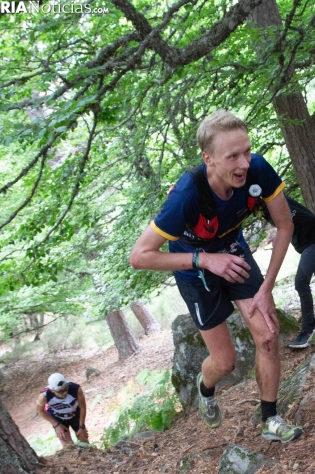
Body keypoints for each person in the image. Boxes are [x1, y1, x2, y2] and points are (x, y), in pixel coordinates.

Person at [129, 110, 303, 443]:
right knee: (224, 362)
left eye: (247, 151)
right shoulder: (186, 195)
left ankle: (270, 418)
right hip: (195, 270)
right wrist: (206, 260)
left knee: (267, 335)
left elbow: (285, 225)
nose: (243, 163)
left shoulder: (259, 171)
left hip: (232, 253)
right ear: (208, 159)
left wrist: (266, 288)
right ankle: (205, 388)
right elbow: (139, 257)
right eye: (233, 156)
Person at [257, 196, 315, 349]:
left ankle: (307, 331)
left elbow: (290, 220)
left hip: (314, 237)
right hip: (307, 239)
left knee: (301, 282)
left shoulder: (272, 199)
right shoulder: (263, 207)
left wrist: (281, 236)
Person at [35, 373, 89, 446]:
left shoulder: (75, 388)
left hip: (75, 415)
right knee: (68, 445)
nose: (65, 393)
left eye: (66, 388)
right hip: (58, 418)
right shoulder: (44, 396)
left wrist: (81, 426)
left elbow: (82, 407)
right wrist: (56, 425)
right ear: (52, 390)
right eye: (60, 391)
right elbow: (39, 410)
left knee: (83, 439)